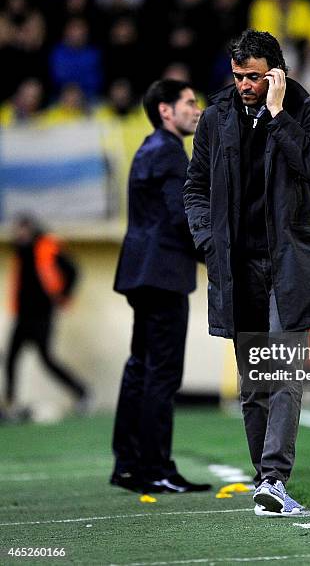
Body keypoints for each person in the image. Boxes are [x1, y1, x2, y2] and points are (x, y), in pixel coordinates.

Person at [184, 29, 310, 516]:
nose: (244, 85)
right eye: (238, 77)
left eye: (254, 77)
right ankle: (264, 480)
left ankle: (274, 476)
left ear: (277, 73)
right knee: (253, 384)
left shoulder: (307, 112)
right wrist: (209, 242)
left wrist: (277, 114)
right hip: (237, 267)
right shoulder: (215, 119)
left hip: (288, 266)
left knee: (285, 372)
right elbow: (195, 190)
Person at [110, 79, 211, 494]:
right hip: (163, 274)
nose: (197, 109)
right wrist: (216, 256)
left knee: (140, 368)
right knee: (161, 373)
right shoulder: (169, 153)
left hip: (142, 271)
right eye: (189, 103)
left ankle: (130, 464)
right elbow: (180, 216)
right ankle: (155, 467)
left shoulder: (150, 148)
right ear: (166, 111)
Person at [4, 214, 87, 417]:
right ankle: (11, 404)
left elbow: (73, 270)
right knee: (11, 358)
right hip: (23, 315)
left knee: (46, 358)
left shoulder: (47, 245)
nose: (18, 233)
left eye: (22, 229)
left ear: (31, 228)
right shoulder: (21, 251)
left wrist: (64, 296)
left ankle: (82, 393)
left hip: (42, 314)